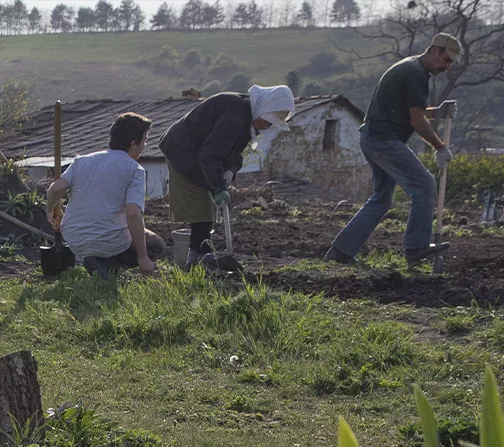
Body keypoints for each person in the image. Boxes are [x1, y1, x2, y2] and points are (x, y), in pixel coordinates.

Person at [324, 33, 460, 269]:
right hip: (383, 141)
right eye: (446, 60)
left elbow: (410, 110)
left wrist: (437, 112)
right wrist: (440, 147)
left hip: (374, 138)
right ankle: (416, 248)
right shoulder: (415, 73)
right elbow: (416, 121)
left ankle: (340, 251)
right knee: (424, 185)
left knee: (381, 198)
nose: (447, 67)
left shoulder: (411, 68)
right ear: (435, 51)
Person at [159, 84, 295, 268]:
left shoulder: (247, 114)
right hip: (183, 152)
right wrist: (218, 188)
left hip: (198, 154)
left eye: (270, 124)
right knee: (203, 206)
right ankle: (200, 256)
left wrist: (231, 170)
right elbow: (209, 155)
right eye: (267, 120)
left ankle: (198, 256)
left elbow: (235, 151)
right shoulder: (236, 117)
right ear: (264, 108)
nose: (266, 125)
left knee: (206, 207)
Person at [45, 112, 166, 276]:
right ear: (133, 143)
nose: (144, 146)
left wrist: (50, 210)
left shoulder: (82, 161)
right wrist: (143, 258)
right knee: (156, 244)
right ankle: (107, 266)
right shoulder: (134, 169)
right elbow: (132, 213)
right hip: (110, 242)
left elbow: (55, 189)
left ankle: (94, 262)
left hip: (74, 239)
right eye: (144, 140)